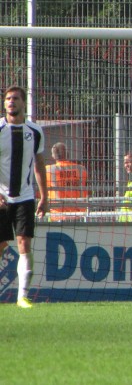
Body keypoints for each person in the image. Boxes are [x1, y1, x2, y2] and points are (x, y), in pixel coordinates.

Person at [0, 87, 48, 308]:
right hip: (1, 197)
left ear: (23, 103)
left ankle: (22, 297)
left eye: (15, 99)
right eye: (8, 99)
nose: (11, 102)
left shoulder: (35, 131)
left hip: (26, 198)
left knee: (24, 243)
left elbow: (39, 164)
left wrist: (45, 195)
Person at [46, 142, 89, 222]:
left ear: (53, 156)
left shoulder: (48, 170)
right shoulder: (81, 169)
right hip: (79, 215)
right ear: (68, 154)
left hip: (57, 215)